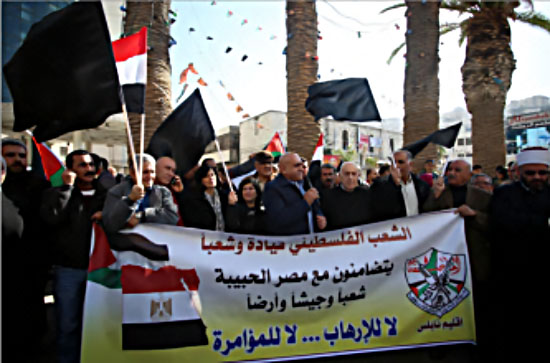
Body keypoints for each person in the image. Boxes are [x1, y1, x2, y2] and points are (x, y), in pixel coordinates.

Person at [40, 150, 107, 363]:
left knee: (96, 324)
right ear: (71, 170)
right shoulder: (56, 193)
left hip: (99, 270)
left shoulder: (107, 195)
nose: (88, 169)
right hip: (68, 270)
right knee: (68, 324)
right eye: (82, 165)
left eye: (90, 165)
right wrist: (66, 189)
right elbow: (51, 218)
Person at [423, 162, 493, 357]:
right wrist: (434, 196)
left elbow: (494, 223)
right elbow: (425, 219)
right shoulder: (439, 192)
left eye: (457, 170)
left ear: (469, 174)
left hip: (475, 260)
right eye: (449, 170)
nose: (452, 174)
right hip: (446, 263)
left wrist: (474, 215)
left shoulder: (483, 197)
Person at [489, 147, 550, 356]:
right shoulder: (504, 194)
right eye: (531, 173)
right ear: (519, 173)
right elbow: (504, 223)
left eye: (542, 173)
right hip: (511, 271)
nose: (537, 177)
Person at [2, 138, 52, 361]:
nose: (17, 160)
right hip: (5, 268)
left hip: (33, 268)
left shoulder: (37, 185)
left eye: (22, 156)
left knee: (32, 320)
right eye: (11, 155)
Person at [103, 154, 179, 235]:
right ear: (132, 173)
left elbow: (172, 217)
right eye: (145, 172)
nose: (150, 176)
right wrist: (130, 200)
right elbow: (110, 225)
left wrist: (142, 215)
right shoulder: (116, 192)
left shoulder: (163, 192)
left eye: (152, 172)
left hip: (155, 238)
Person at [263, 153, 326, 235]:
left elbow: (314, 207)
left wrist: (320, 217)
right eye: (296, 166)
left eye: (302, 165)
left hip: (309, 241)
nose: (301, 169)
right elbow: (279, 219)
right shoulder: (273, 188)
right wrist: (305, 203)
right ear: (283, 169)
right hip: (290, 243)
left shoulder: (305, 183)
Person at [370, 150, 430, 221]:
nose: (397, 166)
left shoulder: (422, 185)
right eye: (394, 163)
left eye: (400, 162)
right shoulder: (380, 185)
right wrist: (395, 185)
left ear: (410, 165)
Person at [321, 162, 372, 230]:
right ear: (339, 176)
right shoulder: (327, 196)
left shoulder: (367, 194)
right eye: (347, 174)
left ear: (358, 176)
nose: (350, 177)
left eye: (353, 174)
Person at [181, 163, 231, 231]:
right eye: (206, 176)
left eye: (212, 175)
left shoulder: (225, 196)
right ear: (201, 180)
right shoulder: (195, 199)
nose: (210, 178)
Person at [155, 156, 186, 225]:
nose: (171, 174)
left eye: (173, 171)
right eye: (167, 168)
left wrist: (180, 193)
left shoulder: (171, 189)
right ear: (156, 168)